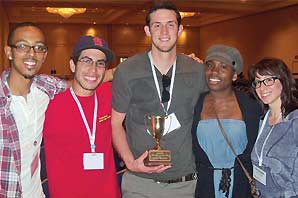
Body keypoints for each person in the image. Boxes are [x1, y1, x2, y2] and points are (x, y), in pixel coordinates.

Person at [111, 1, 206, 198]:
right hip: (139, 183)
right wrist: (130, 162)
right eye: (157, 25)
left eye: (170, 24)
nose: (164, 31)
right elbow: (115, 123)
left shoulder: (197, 71)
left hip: (184, 183)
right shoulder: (127, 70)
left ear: (180, 29)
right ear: (147, 30)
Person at [43, 35, 121, 197]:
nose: (93, 70)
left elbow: (137, 71)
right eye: (86, 61)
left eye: (100, 63)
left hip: (108, 193)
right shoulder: (48, 102)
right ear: (72, 65)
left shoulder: (110, 94)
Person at [0, 22, 67, 197]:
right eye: (22, 46)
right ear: (9, 52)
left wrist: (117, 73)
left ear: (44, 55)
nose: (31, 54)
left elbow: (84, 82)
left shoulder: (45, 86)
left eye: (39, 48)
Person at [191, 44, 262, 198]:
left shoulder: (251, 107)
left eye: (223, 66)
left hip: (241, 184)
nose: (214, 72)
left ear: (235, 75)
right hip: (205, 185)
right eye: (210, 65)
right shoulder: (195, 104)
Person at [249, 58, 298, 197]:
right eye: (258, 82)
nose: (262, 88)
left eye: (268, 80)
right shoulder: (263, 120)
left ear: (283, 80)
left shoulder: (294, 122)